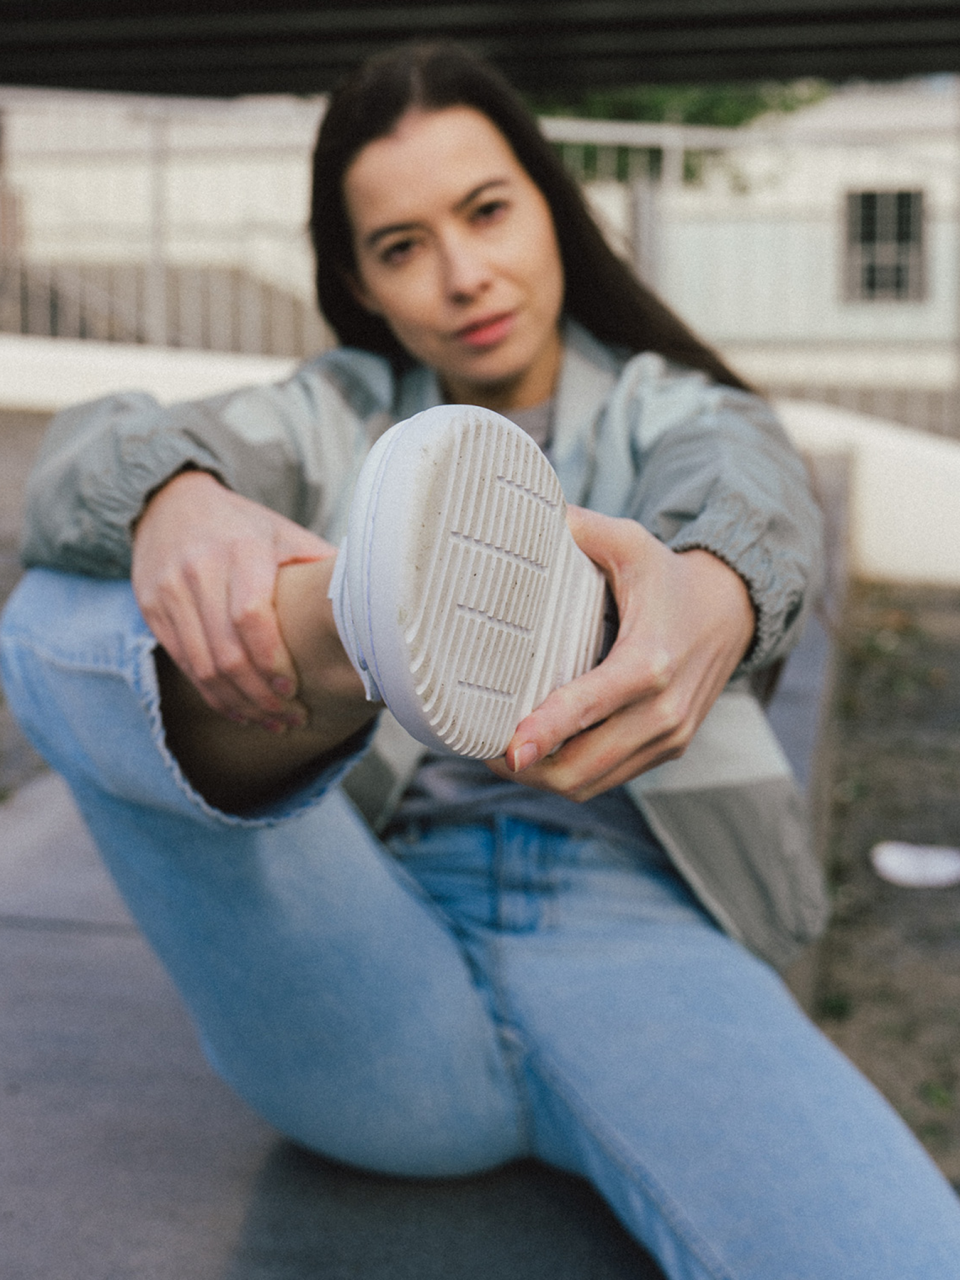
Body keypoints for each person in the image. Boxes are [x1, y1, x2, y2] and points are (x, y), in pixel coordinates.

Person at [3, 41, 960, 1279]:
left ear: (554, 209)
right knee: (63, 599)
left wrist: (713, 594)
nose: (464, 274)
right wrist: (171, 496)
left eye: (488, 209)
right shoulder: (336, 416)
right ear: (359, 279)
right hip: (360, 949)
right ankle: (366, 627)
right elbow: (88, 453)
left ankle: (367, 617)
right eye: (402, 246)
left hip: (633, 932)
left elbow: (749, 484)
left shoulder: (673, 412)